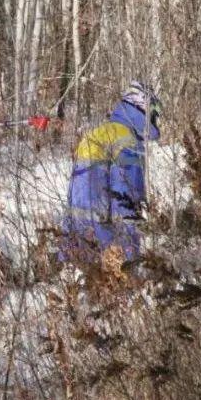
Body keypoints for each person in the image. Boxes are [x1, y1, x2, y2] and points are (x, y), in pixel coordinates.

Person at [60, 80, 162, 268]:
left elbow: (74, 195)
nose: (156, 119)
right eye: (155, 112)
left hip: (77, 234)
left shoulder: (96, 133)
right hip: (105, 243)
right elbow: (126, 202)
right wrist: (130, 257)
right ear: (143, 107)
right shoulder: (128, 141)